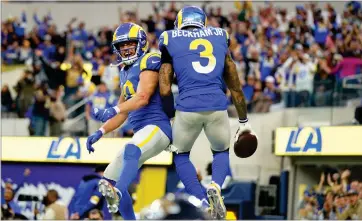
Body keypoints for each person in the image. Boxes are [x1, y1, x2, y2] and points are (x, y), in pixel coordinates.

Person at [157, 6, 256, 219]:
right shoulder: (220, 35)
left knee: (181, 155)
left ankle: (201, 200)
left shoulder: (170, 37)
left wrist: (170, 117)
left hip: (187, 107)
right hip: (217, 106)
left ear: (180, 23)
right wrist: (244, 120)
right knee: (220, 152)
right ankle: (216, 187)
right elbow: (235, 85)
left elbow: (164, 89)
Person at [86, 23, 173, 220]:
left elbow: (142, 97)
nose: (125, 48)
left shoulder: (150, 59)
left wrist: (113, 109)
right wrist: (100, 131)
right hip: (142, 132)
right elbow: (122, 114)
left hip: (157, 127)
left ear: (141, 42)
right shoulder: (125, 70)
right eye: (122, 45)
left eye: (130, 43)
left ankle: (120, 190)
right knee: (108, 181)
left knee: (129, 152)